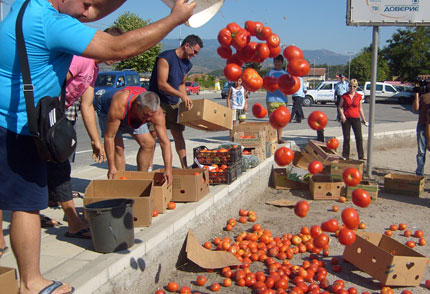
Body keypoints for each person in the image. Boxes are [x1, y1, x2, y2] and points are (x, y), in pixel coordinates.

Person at [0, 0, 194, 293]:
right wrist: (175, 18)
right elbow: (118, 48)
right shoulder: (50, 23)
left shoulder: (27, 7)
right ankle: (31, 283)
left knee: (9, 193)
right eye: (86, 2)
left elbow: (86, 10)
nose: (87, 13)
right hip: (18, 126)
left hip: (9, 118)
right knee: (27, 205)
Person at [149, 34, 203, 169]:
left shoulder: (187, 64)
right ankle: (148, 169)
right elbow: (162, 83)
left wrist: (184, 98)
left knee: (178, 134)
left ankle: (184, 167)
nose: (195, 55)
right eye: (194, 51)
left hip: (173, 102)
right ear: (186, 45)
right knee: (153, 136)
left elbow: (181, 83)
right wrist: (181, 95)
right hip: (157, 101)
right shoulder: (165, 58)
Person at [97, 88, 173, 183]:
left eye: (151, 116)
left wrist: (168, 169)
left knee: (149, 144)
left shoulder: (156, 113)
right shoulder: (119, 105)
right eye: (146, 115)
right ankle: (120, 182)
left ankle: (139, 179)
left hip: (133, 114)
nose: (149, 119)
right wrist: (111, 167)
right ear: (137, 105)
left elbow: (165, 142)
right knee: (119, 147)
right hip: (107, 109)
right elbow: (109, 137)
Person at [338, 79, 368, 160]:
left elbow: (360, 109)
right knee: (346, 138)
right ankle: (345, 155)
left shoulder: (358, 96)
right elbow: (340, 107)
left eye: (354, 86)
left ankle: (361, 155)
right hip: (346, 118)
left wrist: (364, 119)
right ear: (348, 86)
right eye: (350, 86)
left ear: (356, 87)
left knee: (359, 137)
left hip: (356, 118)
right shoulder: (344, 96)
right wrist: (342, 115)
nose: (352, 88)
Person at [265, 55, 289, 144]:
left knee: (281, 120)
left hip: (282, 99)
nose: (277, 63)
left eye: (279, 62)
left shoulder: (285, 73)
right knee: (272, 120)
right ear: (273, 62)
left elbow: (289, 86)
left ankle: (279, 138)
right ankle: (271, 138)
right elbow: (265, 84)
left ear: (282, 63)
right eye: (276, 61)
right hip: (271, 99)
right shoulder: (270, 73)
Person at [413, 81, 430, 176]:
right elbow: (415, 108)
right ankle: (419, 173)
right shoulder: (423, 96)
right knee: (421, 152)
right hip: (422, 125)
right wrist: (416, 94)